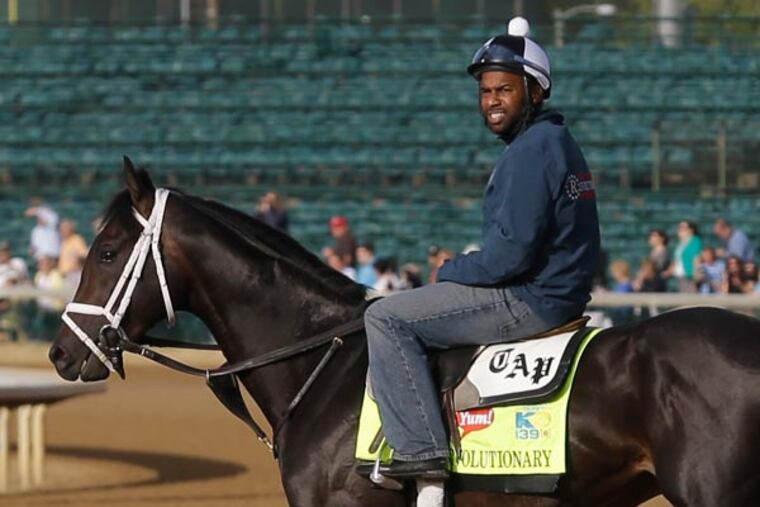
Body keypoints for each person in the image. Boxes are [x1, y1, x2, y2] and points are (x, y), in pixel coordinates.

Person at [364, 17, 599, 483]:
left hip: (530, 298)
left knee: (385, 317)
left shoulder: (531, 151)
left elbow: (509, 257)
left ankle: (421, 455)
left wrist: (450, 269)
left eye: (504, 90)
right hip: (557, 292)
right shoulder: (557, 141)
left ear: (535, 91)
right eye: (486, 91)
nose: (491, 100)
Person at [666, 221, 702, 293]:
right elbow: (677, 258)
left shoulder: (695, 241)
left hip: (690, 274)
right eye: (680, 227)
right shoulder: (681, 243)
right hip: (681, 274)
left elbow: (696, 257)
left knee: (691, 296)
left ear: (691, 230)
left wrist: (696, 273)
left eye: (683, 228)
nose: (680, 229)